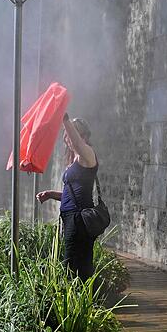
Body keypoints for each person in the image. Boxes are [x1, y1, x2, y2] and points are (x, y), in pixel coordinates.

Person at [36, 114, 98, 281]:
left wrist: (65, 120)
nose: (66, 137)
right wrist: (50, 194)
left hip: (80, 218)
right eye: (65, 133)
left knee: (74, 265)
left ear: (83, 135)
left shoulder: (87, 155)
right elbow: (72, 194)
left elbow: (77, 143)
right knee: (73, 262)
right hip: (71, 217)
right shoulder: (74, 161)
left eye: (70, 133)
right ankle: (77, 300)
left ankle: (79, 301)